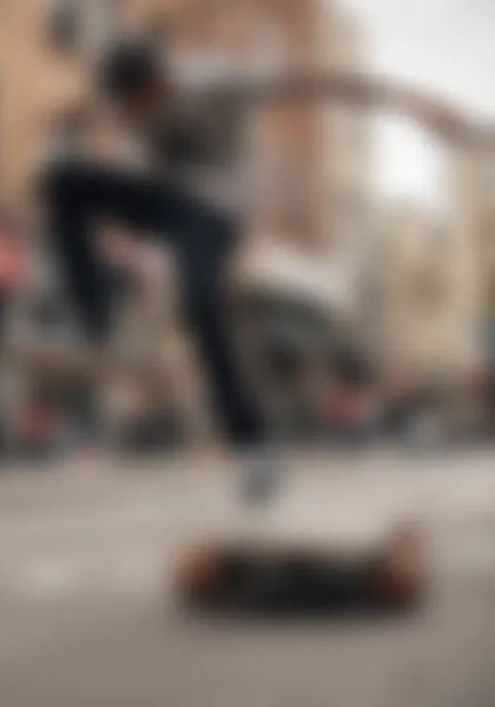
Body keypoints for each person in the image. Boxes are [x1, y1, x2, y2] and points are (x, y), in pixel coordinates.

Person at [39, 40, 398, 501]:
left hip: (216, 213)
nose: (136, 118)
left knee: (202, 306)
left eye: (140, 105)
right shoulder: (129, 109)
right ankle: (90, 317)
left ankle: (253, 446)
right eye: (127, 110)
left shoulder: (212, 82)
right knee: (63, 181)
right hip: (168, 202)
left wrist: (418, 105)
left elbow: (317, 82)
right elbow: (101, 133)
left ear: (159, 83)